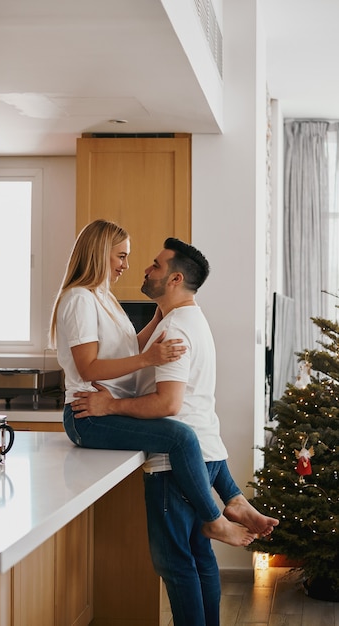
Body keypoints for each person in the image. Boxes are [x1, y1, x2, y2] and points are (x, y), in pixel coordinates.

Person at [71, 237, 280, 626]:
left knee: (176, 564)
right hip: (208, 450)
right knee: (200, 559)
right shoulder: (187, 320)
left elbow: (168, 405)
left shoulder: (175, 332)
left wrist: (109, 405)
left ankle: (228, 510)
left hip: (177, 463)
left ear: (174, 278)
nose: (145, 269)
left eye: (155, 264)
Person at [49, 219, 261, 547]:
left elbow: (127, 348)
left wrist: (161, 318)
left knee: (188, 435)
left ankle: (233, 501)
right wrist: (150, 359)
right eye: (120, 256)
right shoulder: (79, 299)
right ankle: (215, 518)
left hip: (107, 412)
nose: (127, 265)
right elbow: (87, 367)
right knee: (181, 436)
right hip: (87, 415)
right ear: (100, 253)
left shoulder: (102, 297)